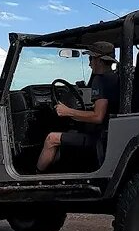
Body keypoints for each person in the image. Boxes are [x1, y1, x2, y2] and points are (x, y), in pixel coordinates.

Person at [37, 41, 120, 172]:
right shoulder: (115, 78)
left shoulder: (101, 80)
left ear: (99, 60)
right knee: (71, 131)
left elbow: (98, 117)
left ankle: (37, 178)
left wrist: (67, 111)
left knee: (51, 138)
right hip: (109, 134)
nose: (89, 63)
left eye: (91, 58)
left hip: (99, 138)